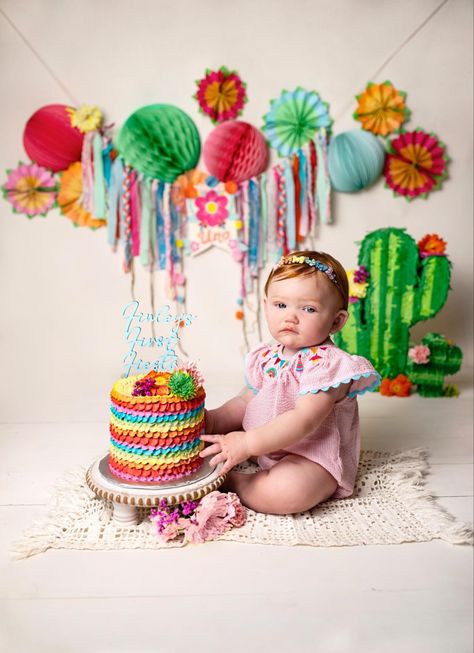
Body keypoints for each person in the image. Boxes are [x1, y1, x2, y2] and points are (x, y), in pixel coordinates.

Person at [201, 251, 380, 515]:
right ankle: (218, 453)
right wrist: (211, 420)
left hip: (311, 457)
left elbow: (304, 419)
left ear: (336, 321)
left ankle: (231, 481)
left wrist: (248, 444)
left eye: (308, 309)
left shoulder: (328, 365)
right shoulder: (268, 356)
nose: (290, 317)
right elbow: (244, 402)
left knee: (288, 490)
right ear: (265, 305)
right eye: (280, 305)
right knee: (209, 440)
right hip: (267, 444)